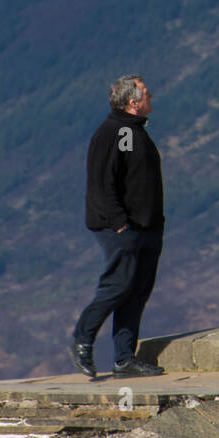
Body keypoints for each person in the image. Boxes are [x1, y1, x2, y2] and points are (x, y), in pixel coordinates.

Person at [69, 75, 165, 378]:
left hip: (146, 228)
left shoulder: (134, 131)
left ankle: (124, 358)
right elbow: (103, 182)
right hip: (122, 229)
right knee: (119, 284)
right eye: (147, 94)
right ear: (133, 103)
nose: (152, 97)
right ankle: (82, 339)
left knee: (136, 290)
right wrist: (119, 222)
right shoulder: (118, 132)